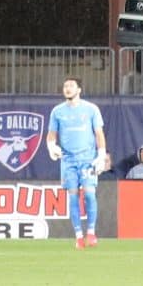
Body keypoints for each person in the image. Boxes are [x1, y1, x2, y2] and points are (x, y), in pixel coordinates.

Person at [46, 76, 107, 248]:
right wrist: (51, 146)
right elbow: (51, 134)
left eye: (71, 86)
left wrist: (101, 154)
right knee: (73, 196)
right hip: (68, 161)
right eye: (65, 86)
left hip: (87, 159)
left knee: (89, 193)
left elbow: (99, 133)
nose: (67, 88)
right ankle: (79, 236)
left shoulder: (91, 109)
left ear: (79, 90)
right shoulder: (57, 111)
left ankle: (91, 233)